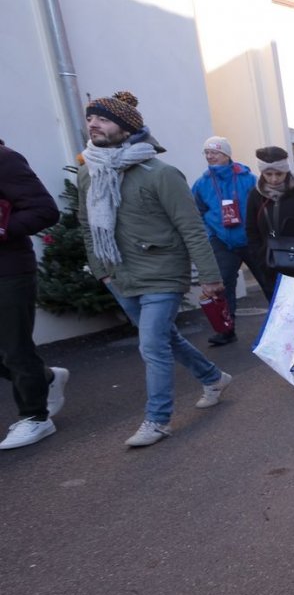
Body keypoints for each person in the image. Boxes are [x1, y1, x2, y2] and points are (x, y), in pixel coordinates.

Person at [77, 92, 231, 448]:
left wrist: (210, 277)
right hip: (119, 274)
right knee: (165, 338)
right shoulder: (90, 172)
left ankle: (157, 420)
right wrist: (102, 271)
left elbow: (191, 226)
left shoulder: (160, 173)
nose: (94, 124)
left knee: (151, 345)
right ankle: (214, 377)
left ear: (127, 127)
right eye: (90, 119)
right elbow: (87, 225)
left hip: (162, 271)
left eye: (103, 119)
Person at [0, 141, 67, 450]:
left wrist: (2, 228)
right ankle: (46, 378)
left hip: (9, 271)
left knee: (15, 348)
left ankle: (36, 418)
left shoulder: (5, 159)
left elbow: (45, 210)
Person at [191, 135, 270, 345]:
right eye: (207, 152)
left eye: (214, 152)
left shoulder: (247, 178)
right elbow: (197, 212)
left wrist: (260, 232)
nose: (210, 156)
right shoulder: (202, 183)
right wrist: (210, 234)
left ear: (226, 155)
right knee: (223, 286)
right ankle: (226, 330)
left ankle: (284, 325)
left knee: (268, 281)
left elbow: (262, 206)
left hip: (250, 240)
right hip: (222, 241)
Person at [245, 146, 294, 299]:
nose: (274, 179)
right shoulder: (255, 196)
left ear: (286, 171)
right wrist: (261, 258)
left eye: (279, 173)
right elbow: (251, 230)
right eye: (268, 174)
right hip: (271, 267)